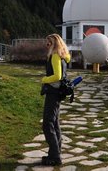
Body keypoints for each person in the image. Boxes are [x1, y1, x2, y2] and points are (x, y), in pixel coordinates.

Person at [40, 33, 70, 166]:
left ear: (54, 44)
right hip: (57, 92)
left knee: (47, 124)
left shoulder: (55, 56)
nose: (47, 46)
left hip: (53, 92)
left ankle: (55, 156)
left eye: (49, 43)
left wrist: (44, 79)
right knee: (54, 123)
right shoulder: (64, 56)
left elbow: (57, 76)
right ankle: (55, 152)